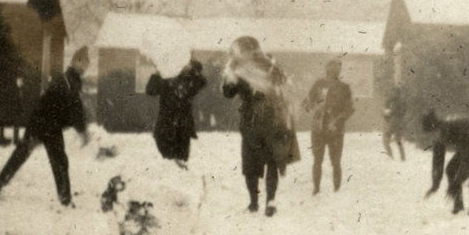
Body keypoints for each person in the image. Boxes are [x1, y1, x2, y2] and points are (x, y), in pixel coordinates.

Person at [0, 46, 91, 207]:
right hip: (47, 125)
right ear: (76, 62)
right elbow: (75, 108)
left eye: (87, 64)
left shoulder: (68, 79)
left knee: (28, 156)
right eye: (84, 63)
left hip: (42, 124)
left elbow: (73, 107)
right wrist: (83, 131)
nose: (86, 67)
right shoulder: (70, 80)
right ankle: (64, 199)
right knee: (56, 161)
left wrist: (80, 128)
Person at [222, 36, 300, 217]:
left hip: (255, 122)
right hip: (268, 120)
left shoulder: (242, 67)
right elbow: (283, 82)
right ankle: (265, 201)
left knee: (253, 163)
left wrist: (230, 75)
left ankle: (256, 202)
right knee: (267, 162)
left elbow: (227, 93)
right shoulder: (265, 64)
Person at [421, 110, 469, 218]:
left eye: (433, 134)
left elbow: (468, 160)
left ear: (438, 128)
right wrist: (435, 185)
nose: (433, 139)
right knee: (451, 170)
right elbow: (438, 162)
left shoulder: (458, 129)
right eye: (430, 136)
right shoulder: (439, 138)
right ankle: (458, 206)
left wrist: (457, 181)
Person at [302, 57, 354, 194]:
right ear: (327, 71)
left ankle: (336, 189)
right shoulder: (318, 84)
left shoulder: (344, 88)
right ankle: (316, 189)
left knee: (335, 162)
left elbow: (349, 109)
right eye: (331, 70)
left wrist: (338, 121)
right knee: (317, 160)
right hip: (318, 129)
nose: (333, 73)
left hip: (335, 130)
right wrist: (309, 106)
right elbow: (307, 101)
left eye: (336, 70)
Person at [145, 59, 207, 169]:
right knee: (166, 161)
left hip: (182, 125)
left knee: (181, 159)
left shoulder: (190, 81)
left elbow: (202, 81)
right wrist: (157, 73)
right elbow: (150, 90)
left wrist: (189, 68)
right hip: (165, 125)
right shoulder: (167, 80)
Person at [381, 84, 406, 160]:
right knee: (397, 141)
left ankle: (391, 156)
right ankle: (402, 157)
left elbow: (388, 112)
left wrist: (387, 114)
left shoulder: (392, 101)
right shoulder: (398, 101)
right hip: (395, 123)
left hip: (392, 123)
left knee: (387, 140)